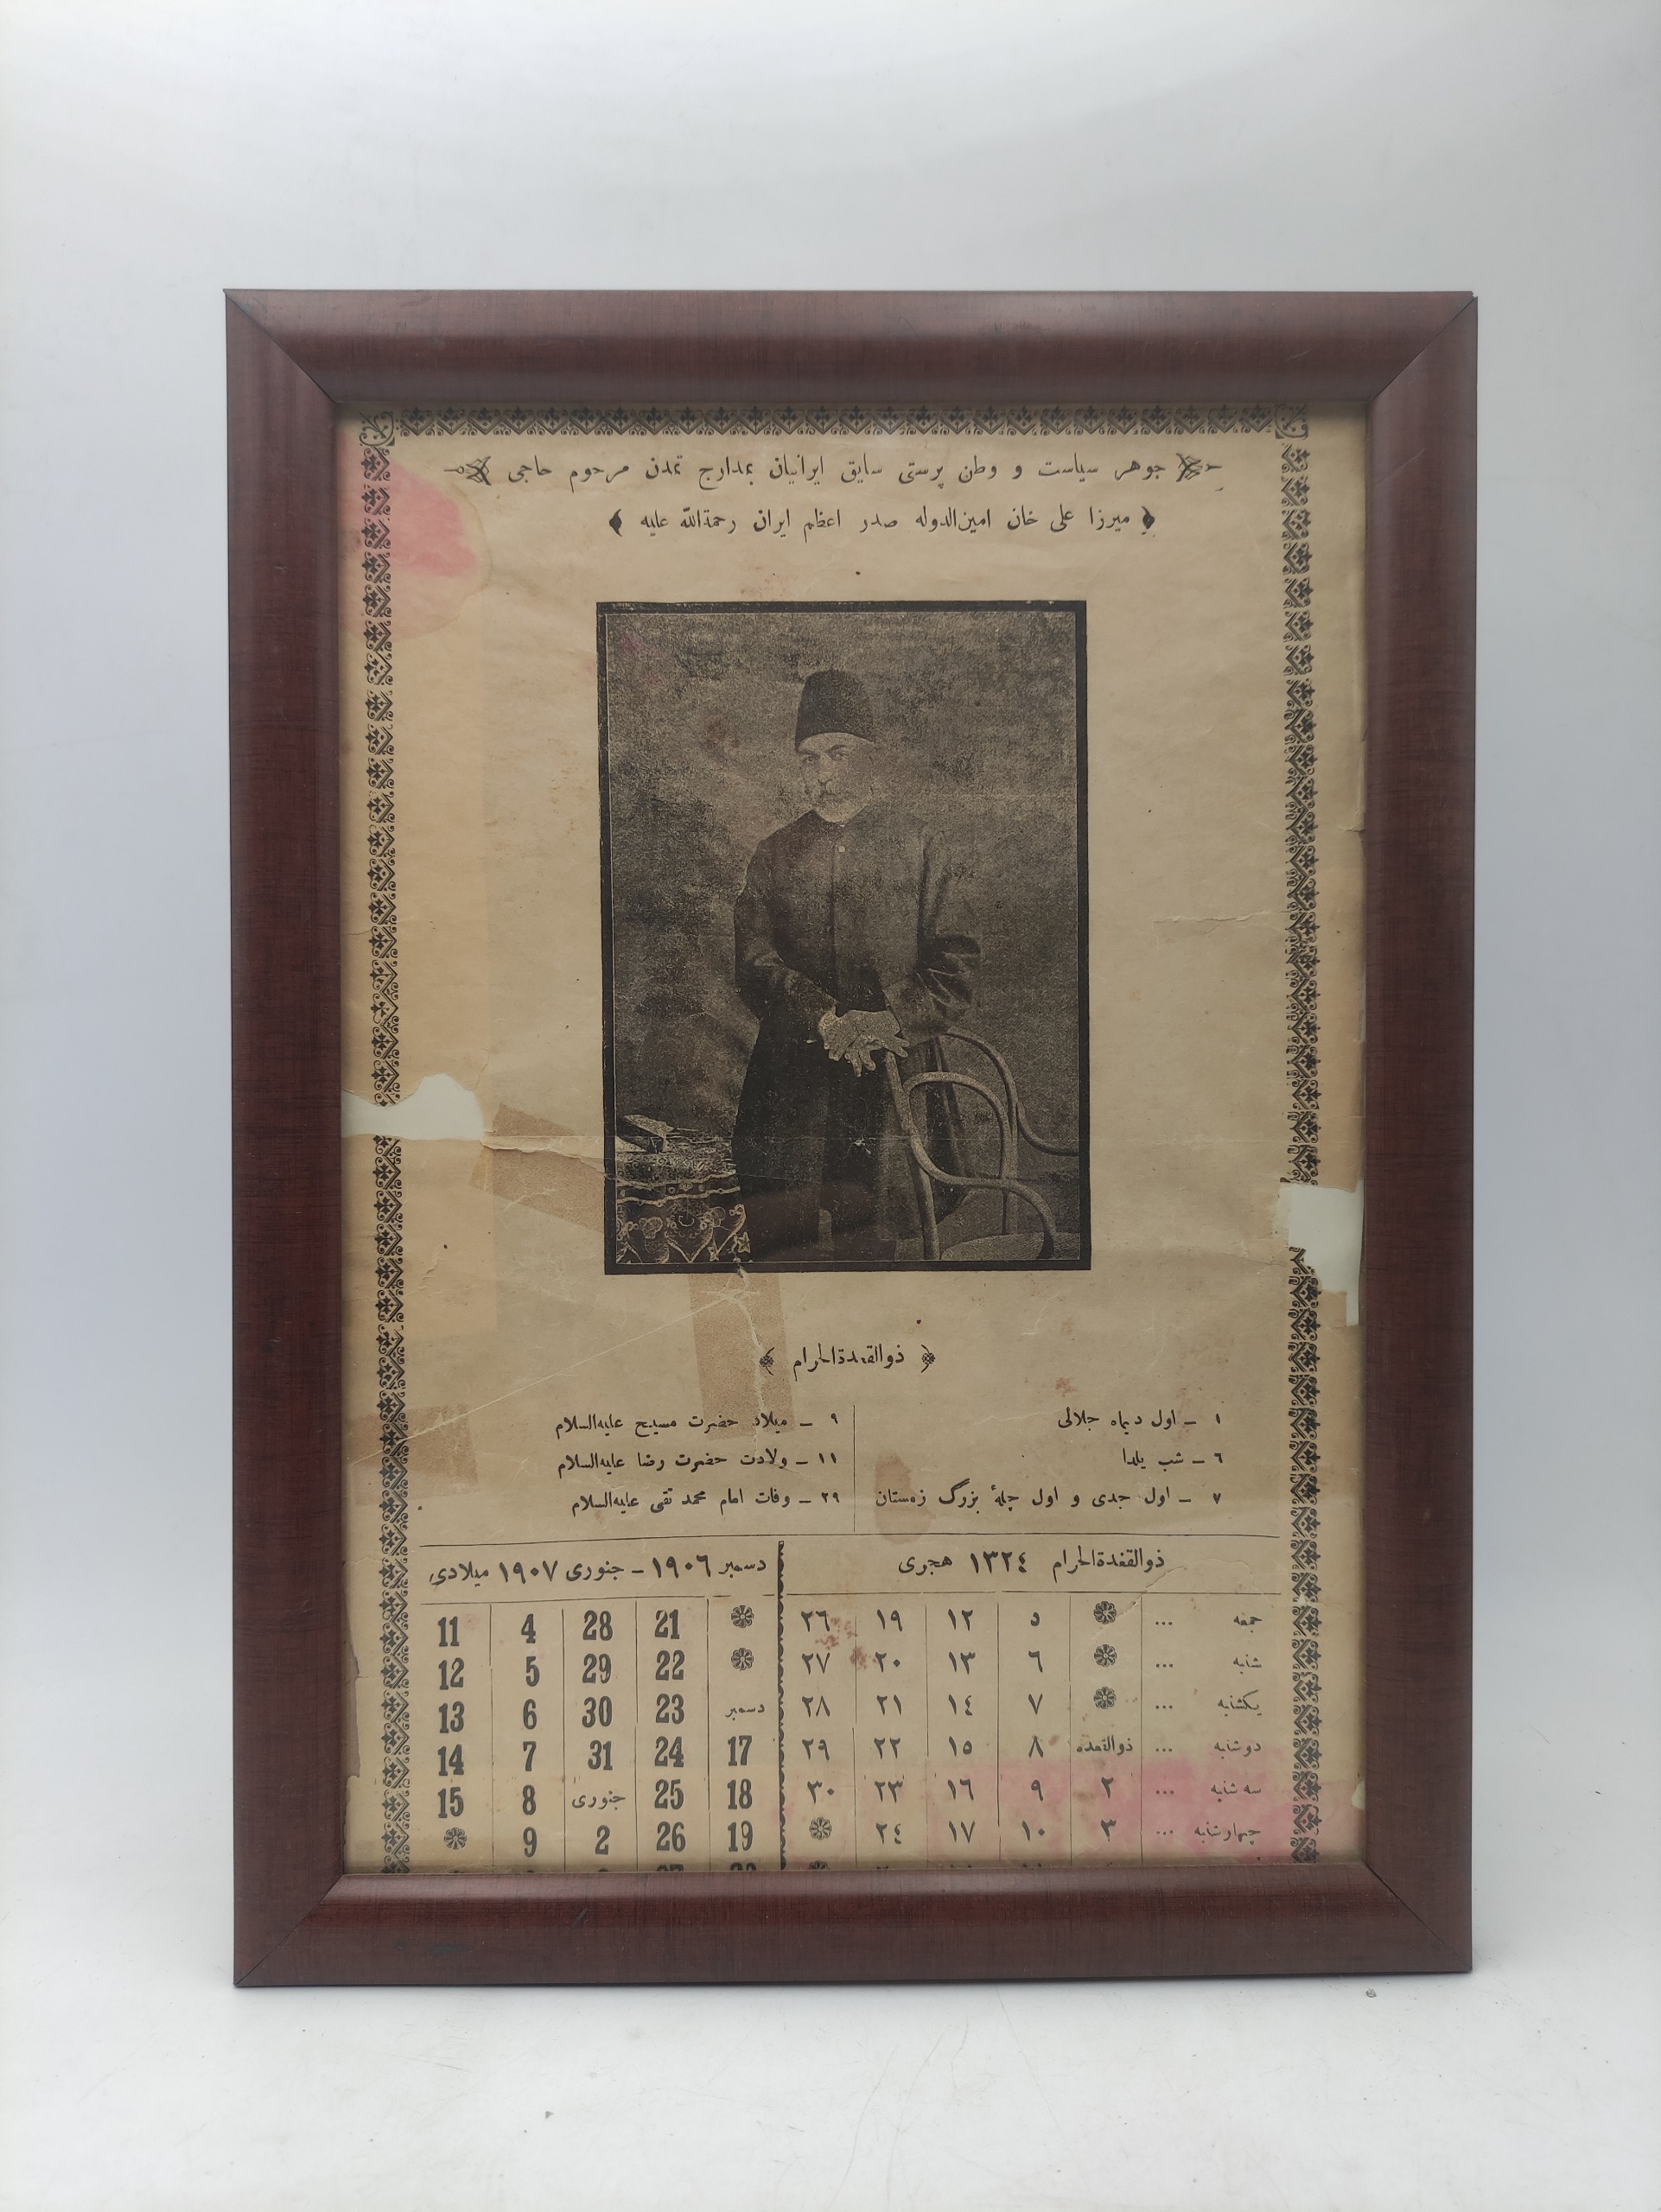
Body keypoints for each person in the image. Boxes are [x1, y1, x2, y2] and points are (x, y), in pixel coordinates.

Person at [732, 668, 980, 1261]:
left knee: (874, 1242)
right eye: (809, 758)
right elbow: (753, 961)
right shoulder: (774, 853)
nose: (823, 773)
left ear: (871, 755)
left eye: (839, 754)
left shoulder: (922, 846)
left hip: (892, 1078)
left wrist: (887, 1019)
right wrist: (826, 1019)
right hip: (792, 1081)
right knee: (783, 1243)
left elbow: (955, 965)